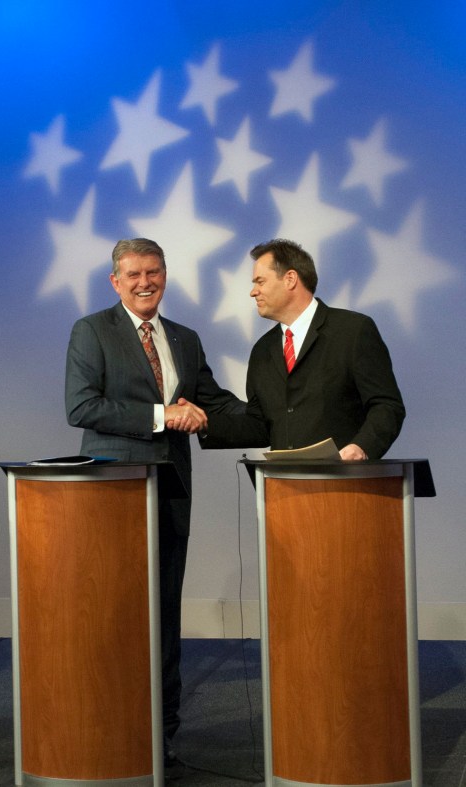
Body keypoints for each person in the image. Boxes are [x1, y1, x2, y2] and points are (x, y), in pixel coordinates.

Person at [64, 238, 245, 775]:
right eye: (134, 274)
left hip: (170, 491)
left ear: (165, 275)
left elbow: (212, 402)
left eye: (154, 272)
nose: (145, 283)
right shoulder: (92, 330)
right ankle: (110, 729)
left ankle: (162, 735)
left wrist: (284, 421)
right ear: (115, 281)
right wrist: (162, 415)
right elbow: (82, 405)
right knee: (115, 613)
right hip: (113, 493)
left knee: (164, 615)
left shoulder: (185, 338)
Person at [200, 238, 405, 458]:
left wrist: (361, 447)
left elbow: (386, 405)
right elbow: (260, 426)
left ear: (290, 279)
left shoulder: (352, 330)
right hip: (285, 479)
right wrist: (203, 423)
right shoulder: (262, 350)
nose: (253, 292)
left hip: (344, 476)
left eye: (260, 282)